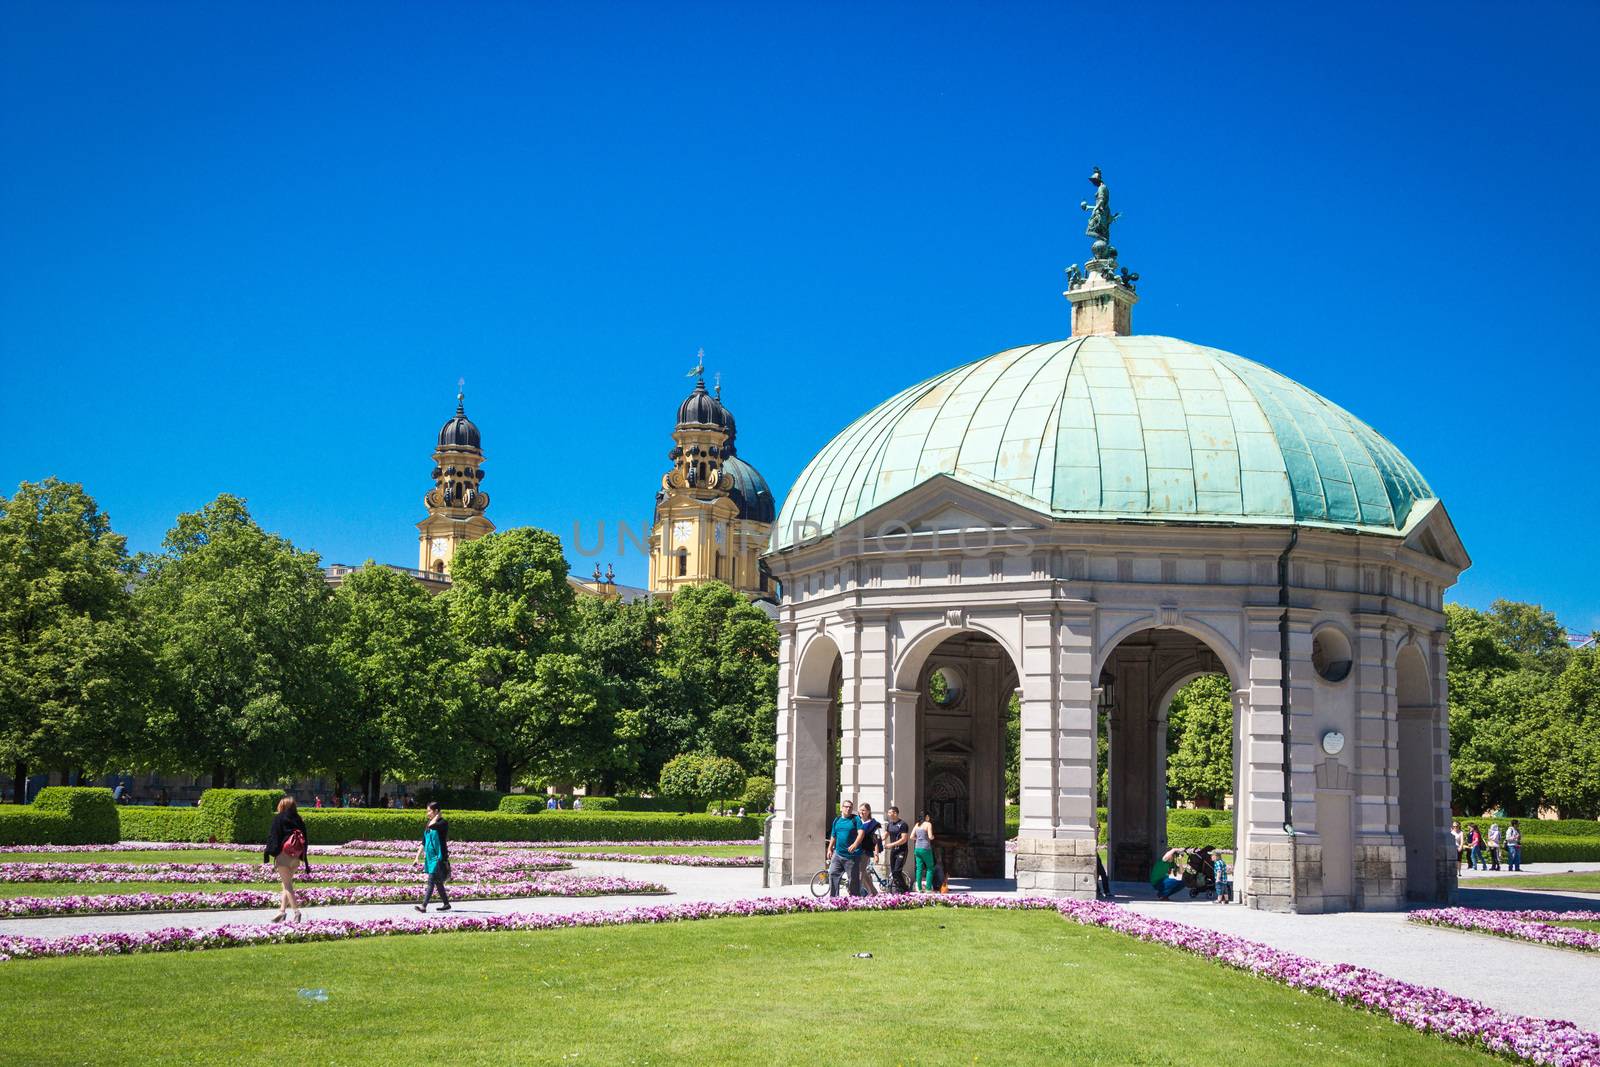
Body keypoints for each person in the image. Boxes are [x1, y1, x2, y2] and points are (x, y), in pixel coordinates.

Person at [263, 796, 310, 923]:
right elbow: (305, 840)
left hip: (283, 856)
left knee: (287, 885)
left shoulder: (279, 818)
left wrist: (270, 853)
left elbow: (273, 838)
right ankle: (281, 912)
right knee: (285, 883)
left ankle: (296, 912)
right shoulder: (299, 819)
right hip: (296, 857)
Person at [414, 802, 452, 912]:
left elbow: (433, 826)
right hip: (430, 857)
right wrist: (417, 857)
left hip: (439, 857)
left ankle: (423, 906)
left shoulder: (443, 823)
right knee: (438, 881)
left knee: (431, 880)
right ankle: (446, 904)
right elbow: (424, 842)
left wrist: (436, 817)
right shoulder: (429, 823)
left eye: (429, 811)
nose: (427, 814)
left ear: (436, 811)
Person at [825, 800, 864, 897]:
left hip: (851, 856)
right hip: (838, 854)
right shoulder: (837, 820)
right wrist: (830, 849)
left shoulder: (856, 819)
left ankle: (855, 900)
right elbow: (833, 835)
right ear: (842, 808)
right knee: (833, 874)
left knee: (853, 880)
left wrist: (855, 844)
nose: (848, 809)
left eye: (850, 807)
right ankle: (834, 899)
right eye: (846, 807)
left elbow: (861, 833)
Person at [883, 806, 911, 892]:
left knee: (897, 871)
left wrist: (891, 844)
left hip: (901, 851)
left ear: (895, 813)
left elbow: (904, 839)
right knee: (893, 872)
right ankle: (899, 890)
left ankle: (905, 890)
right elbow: (885, 835)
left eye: (890, 813)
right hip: (894, 851)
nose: (888, 814)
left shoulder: (903, 824)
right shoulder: (890, 824)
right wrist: (877, 840)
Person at [856, 803, 882, 894]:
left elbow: (876, 841)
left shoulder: (873, 824)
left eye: (864, 810)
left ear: (868, 811)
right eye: (860, 810)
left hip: (865, 851)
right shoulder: (856, 821)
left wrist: (876, 854)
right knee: (863, 873)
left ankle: (856, 894)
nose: (861, 812)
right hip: (855, 850)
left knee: (860, 872)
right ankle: (873, 892)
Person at [912, 812, 936, 891]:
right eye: (928, 816)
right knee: (930, 868)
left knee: (919, 869)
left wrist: (919, 839)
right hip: (925, 848)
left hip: (917, 848)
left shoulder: (917, 824)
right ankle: (928, 889)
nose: (929, 818)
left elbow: (911, 837)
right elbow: (930, 836)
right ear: (926, 817)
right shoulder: (928, 824)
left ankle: (919, 888)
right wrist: (932, 837)